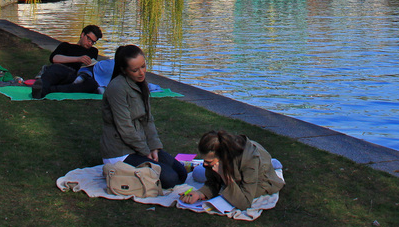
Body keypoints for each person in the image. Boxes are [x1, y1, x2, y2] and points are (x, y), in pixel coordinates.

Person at [100, 44, 185, 189]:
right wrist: (145, 151)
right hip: (121, 152)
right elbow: (125, 128)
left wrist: (154, 147)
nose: (141, 73)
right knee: (170, 179)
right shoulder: (117, 88)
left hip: (140, 147)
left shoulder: (140, 84)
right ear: (124, 70)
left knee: (181, 174)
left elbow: (148, 120)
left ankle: (148, 163)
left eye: (143, 66)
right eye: (135, 70)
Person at [179, 130, 284, 210]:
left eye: (209, 162)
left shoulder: (248, 160)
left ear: (222, 157)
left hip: (257, 170)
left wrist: (225, 176)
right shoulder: (218, 157)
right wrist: (199, 193)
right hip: (231, 166)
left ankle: (272, 164)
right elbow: (213, 183)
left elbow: (244, 203)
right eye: (204, 160)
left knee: (200, 173)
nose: (205, 164)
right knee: (197, 173)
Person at [31, 25, 103, 98]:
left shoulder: (92, 51)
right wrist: (78, 59)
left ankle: (47, 90)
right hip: (61, 69)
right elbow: (54, 58)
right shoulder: (66, 46)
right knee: (54, 71)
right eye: (88, 39)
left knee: (91, 84)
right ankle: (42, 90)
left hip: (76, 76)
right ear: (82, 34)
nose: (90, 43)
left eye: (93, 42)